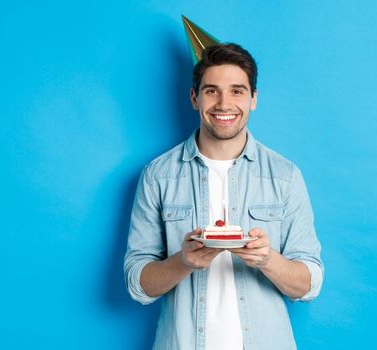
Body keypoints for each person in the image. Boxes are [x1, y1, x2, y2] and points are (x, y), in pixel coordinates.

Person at [124, 43, 323, 350]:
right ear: (195, 98)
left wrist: (267, 259)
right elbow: (138, 284)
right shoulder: (157, 175)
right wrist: (184, 261)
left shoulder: (285, 176)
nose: (224, 104)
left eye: (237, 91)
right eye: (212, 91)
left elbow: (309, 284)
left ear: (253, 99)